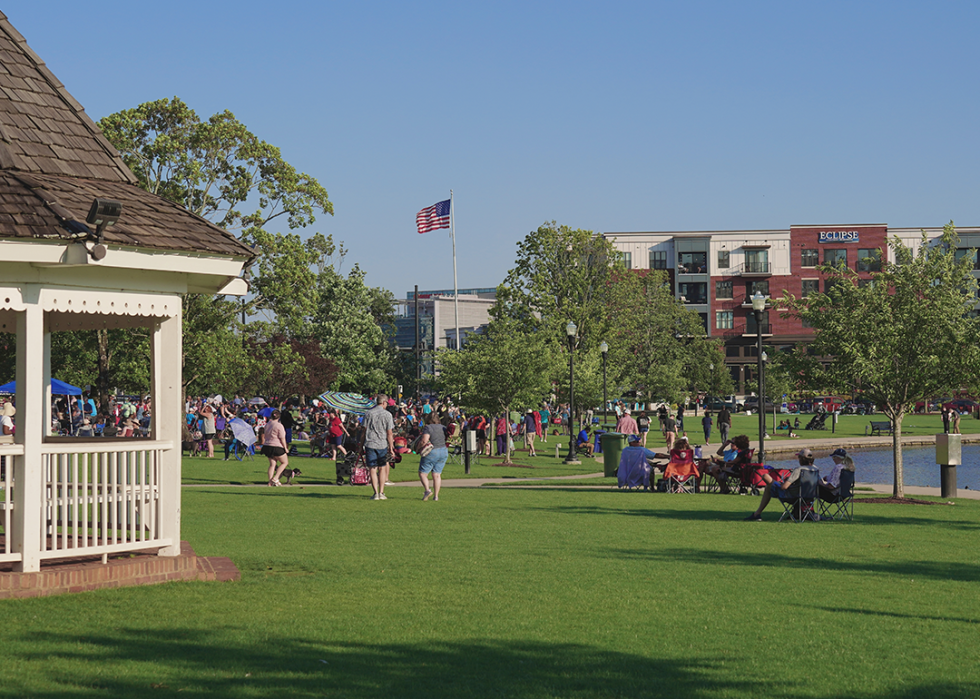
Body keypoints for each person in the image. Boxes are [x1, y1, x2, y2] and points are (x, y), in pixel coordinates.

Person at [745, 448, 819, 521]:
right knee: (769, 485)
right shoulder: (815, 469)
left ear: (801, 459)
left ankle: (757, 514)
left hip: (792, 497)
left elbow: (784, 487)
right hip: (808, 497)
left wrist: (782, 483)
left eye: (799, 457)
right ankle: (757, 514)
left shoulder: (799, 470)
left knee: (766, 478)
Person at [363, 394, 395, 500]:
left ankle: (375, 493)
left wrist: (360, 445)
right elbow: (389, 433)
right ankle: (381, 492)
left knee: (372, 469)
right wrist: (391, 447)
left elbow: (364, 431)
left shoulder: (368, 413)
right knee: (382, 468)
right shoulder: (387, 415)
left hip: (370, 443)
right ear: (384, 402)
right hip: (382, 444)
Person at [418, 413, 448, 501]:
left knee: (423, 473)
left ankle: (427, 490)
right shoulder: (443, 427)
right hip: (443, 451)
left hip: (432, 451)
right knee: (437, 475)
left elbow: (424, 440)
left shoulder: (428, 428)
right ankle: (436, 496)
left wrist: (418, 447)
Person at [261, 409, 289, 486]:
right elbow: (282, 438)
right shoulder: (279, 425)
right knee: (284, 462)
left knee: (272, 464)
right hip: (277, 446)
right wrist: (285, 448)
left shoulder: (267, 424)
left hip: (267, 446)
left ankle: (270, 481)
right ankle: (275, 478)